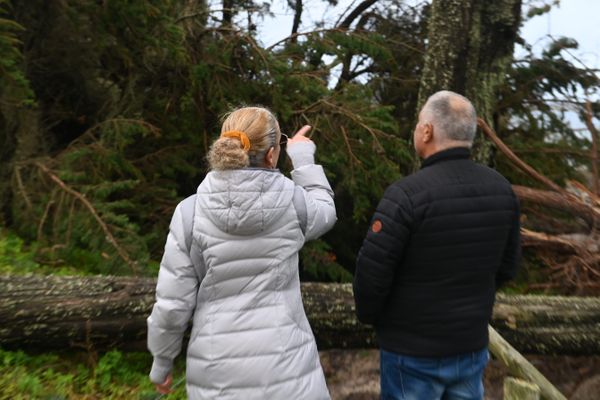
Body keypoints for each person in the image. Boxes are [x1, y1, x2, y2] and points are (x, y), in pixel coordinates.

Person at [147, 106, 336, 399]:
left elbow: (172, 304)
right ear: (272, 154)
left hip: (215, 374)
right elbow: (325, 211)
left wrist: (161, 362)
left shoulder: (189, 212)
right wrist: (302, 159)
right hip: (289, 371)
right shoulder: (294, 204)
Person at [353, 91, 521, 400]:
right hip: (470, 346)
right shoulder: (501, 189)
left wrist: (374, 318)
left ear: (427, 131)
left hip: (411, 351)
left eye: (419, 124)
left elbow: (371, 275)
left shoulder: (406, 195)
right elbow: (507, 268)